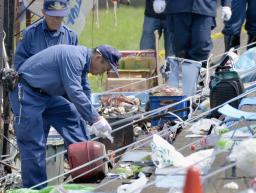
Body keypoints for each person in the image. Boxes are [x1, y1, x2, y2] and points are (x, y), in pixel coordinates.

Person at [9, 44, 121, 189]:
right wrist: (96, 119)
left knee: (73, 115)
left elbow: (84, 89)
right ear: (98, 58)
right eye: (105, 69)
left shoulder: (83, 60)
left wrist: (89, 118)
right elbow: (74, 91)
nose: (101, 74)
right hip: (27, 92)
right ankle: (36, 189)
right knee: (33, 145)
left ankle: (87, 172)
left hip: (46, 94)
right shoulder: (74, 57)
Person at [14, 0, 90, 148]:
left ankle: (80, 165)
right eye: (53, 16)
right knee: (37, 141)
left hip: (60, 95)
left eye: (60, 17)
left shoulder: (71, 36)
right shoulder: (30, 34)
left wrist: (87, 106)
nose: (57, 20)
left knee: (77, 130)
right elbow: (19, 68)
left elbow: (79, 72)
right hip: (36, 94)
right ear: (43, 13)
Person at [165, 0, 232, 96]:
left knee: (202, 44)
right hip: (178, 7)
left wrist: (226, 4)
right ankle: (183, 86)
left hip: (204, 6)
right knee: (180, 47)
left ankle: (199, 83)